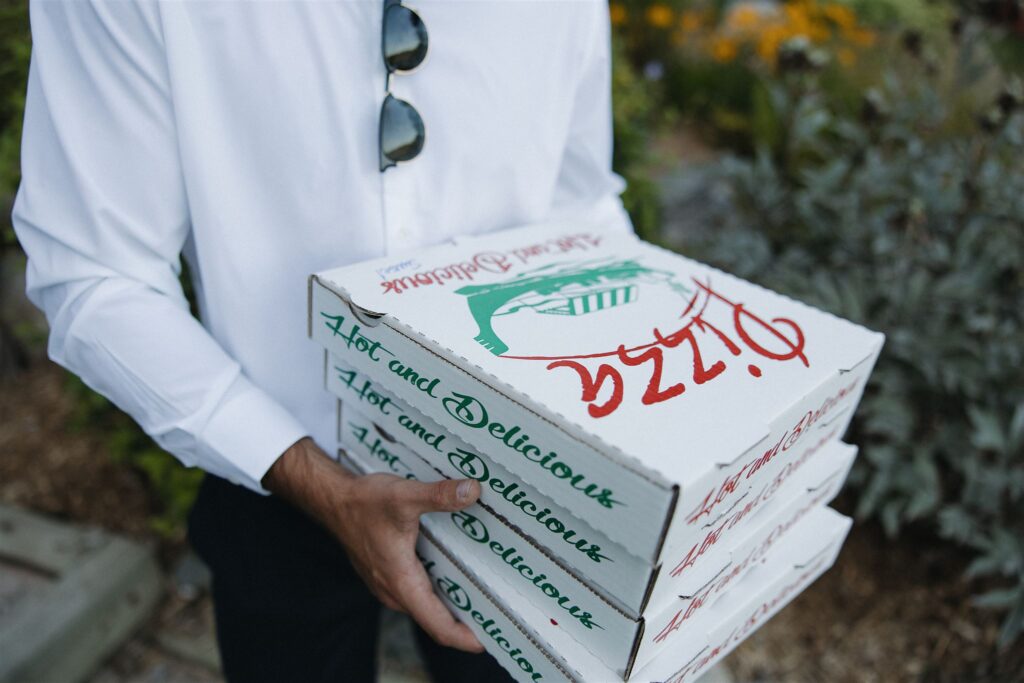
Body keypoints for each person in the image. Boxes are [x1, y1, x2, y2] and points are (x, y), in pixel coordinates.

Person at [12, 1, 633, 681]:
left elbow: (581, 207)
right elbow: (96, 271)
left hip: (519, 477)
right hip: (268, 468)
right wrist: (313, 479)